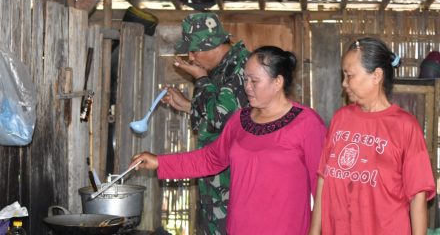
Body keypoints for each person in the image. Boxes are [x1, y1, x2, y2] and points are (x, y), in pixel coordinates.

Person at [131, 46, 327, 234]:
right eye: (245, 79)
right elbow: (210, 159)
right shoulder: (240, 120)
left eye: (254, 81)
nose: (247, 87)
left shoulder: (306, 123)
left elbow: (323, 186)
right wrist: (159, 161)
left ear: (277, 82)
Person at [309, 37, 436, 235]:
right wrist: (314, 232)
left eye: (349, 75)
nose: (344, 83)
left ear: (376, 75)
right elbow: (323, 180)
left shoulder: (404, 126)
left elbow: (417, 195)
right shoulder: (340, 119)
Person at [162, 12, 250, 234]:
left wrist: (201, 79)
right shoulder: (221, 69)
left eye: (193, 51)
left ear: (210, 45)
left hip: (233, 184)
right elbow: (220, 114)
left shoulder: (240, 69)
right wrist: (187, 105)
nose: (191, 58)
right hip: (217, 182)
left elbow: (219, 120)